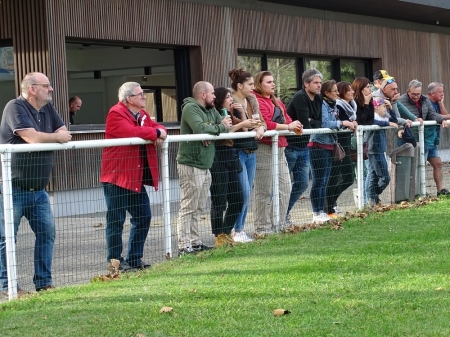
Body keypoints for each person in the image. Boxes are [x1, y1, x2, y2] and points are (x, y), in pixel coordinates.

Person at [0, 72, 72, 295]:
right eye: (46, 86)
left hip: (39, 190)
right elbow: (31, 137)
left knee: (47, 233)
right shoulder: (15, 107)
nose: (51, 89)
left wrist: (50, 137)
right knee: (6, 239)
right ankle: (7, 286)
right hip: (13, 188)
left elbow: (63, 132)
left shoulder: (47, 108)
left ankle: (43, 282)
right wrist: (53, 137)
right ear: (32, 89)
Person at [100, 82, 167, 271]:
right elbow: (132, 132)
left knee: (143, 216)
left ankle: (135, 258)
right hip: (117, 177)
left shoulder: (143, 115)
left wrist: (159, 131)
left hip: (134, 177)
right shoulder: (116, 113)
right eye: (141, 95)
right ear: (129, 98)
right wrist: (156, 133)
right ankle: (115, 261)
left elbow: (157, 126)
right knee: (116, 220)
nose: (145, 97)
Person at [176, 81, 232, 255]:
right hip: (191, 163)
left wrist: (211, 131)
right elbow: (201, 127)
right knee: (189, 206)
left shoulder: (210, 109)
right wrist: (213, 129)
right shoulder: (190, 108)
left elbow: (223, 127)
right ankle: (183, 245)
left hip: (205, 164)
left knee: (198, 206)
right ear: (203, 95)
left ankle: (195, 242)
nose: (215, 97)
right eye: (212, 93)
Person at [253, 71, 302, 234]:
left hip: (280, 147)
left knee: (285, 187)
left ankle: (278, 222)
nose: (273, 84)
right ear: (259, 84)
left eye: (273, 81)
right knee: (264, 189)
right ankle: (262, 227)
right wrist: (288, 127)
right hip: (265, 148)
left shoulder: (277, 101)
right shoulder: (256, 101)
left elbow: (287, 119)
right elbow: (265, 123)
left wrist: (293, 125)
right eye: (268, 82)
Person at [210, 87, 260, 246]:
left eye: (231, 96)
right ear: (219, 99)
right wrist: (241, 124)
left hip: (231, 157)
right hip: (218, 157)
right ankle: (219, 235)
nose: (231, 99)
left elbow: (247, 127)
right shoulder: (215, 114)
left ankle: (225, 231)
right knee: (219, 200)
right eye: (228, 97)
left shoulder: (231, 114)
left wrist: (243, 115)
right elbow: (223, 133)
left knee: (238, 198)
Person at [228, 68, 266, 243]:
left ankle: (240, 229)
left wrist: (260, 128)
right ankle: (237, 230)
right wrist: (248, 121)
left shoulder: (252, 101)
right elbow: (241, 127)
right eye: (250, 84)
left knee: (248, 191)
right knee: (242, 192)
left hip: (251, 151)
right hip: (237, 152)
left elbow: (260, 122)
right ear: (239, 85)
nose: (253, 87)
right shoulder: (231, 103)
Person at [309, 80, 354, 223]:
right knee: (319, 181)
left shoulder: (333, 104)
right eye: (335, 91)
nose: (337, 93)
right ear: (327, 93)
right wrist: (342, 123)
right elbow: (324, 123)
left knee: (325, 181)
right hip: (318, 145)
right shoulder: (322, 104)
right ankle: (318, 212)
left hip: (329, 145)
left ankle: (324, 210)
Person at [399, 80, 449, 196]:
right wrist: (400, 130)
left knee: (438, 164)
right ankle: (417, 193)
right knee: (417, 166)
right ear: (408, 92)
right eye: (413, 94)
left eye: (418, 94)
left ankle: (440, 191)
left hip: (429, 138)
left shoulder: (425, 100)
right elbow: (396, 117)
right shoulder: (400, 101)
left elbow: (432, 114)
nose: (416, 96)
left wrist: (442, 120)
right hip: (412, 138)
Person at [285, 69, 322, 224]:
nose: (319, 86)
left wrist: (311, 121)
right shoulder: (300, 97)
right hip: (290, 146)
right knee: (284, 184)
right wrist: (311, 122)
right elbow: (305, 124)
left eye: (320, 82)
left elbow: (319, 122)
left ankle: (285, 212)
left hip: (304, 146)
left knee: (302, 183)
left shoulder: (318, 98)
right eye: (316, 83)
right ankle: (279, 216)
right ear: (306, 84)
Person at [325, 81, 358, 217]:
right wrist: (349, 123)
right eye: (349, 90)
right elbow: (341, 122)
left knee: (348, 177)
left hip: (346, 144)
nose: (352, 92)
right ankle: (329, 205)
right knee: (336, 176)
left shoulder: (352, 106)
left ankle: (330, 202)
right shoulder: (338, 105)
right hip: (337, 145)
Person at [365, 96, 398, 205]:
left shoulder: (382, 117)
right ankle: (372, 196)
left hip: (379, 150)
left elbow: (394, 121)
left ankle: (372, 198)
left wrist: (391, 108)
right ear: (376, 107)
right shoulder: (373, 117)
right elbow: (375, 122)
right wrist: (388, 123)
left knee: (374, 176)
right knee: (384, 177)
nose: (385, 109)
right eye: (384, 106)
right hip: (374, 150)